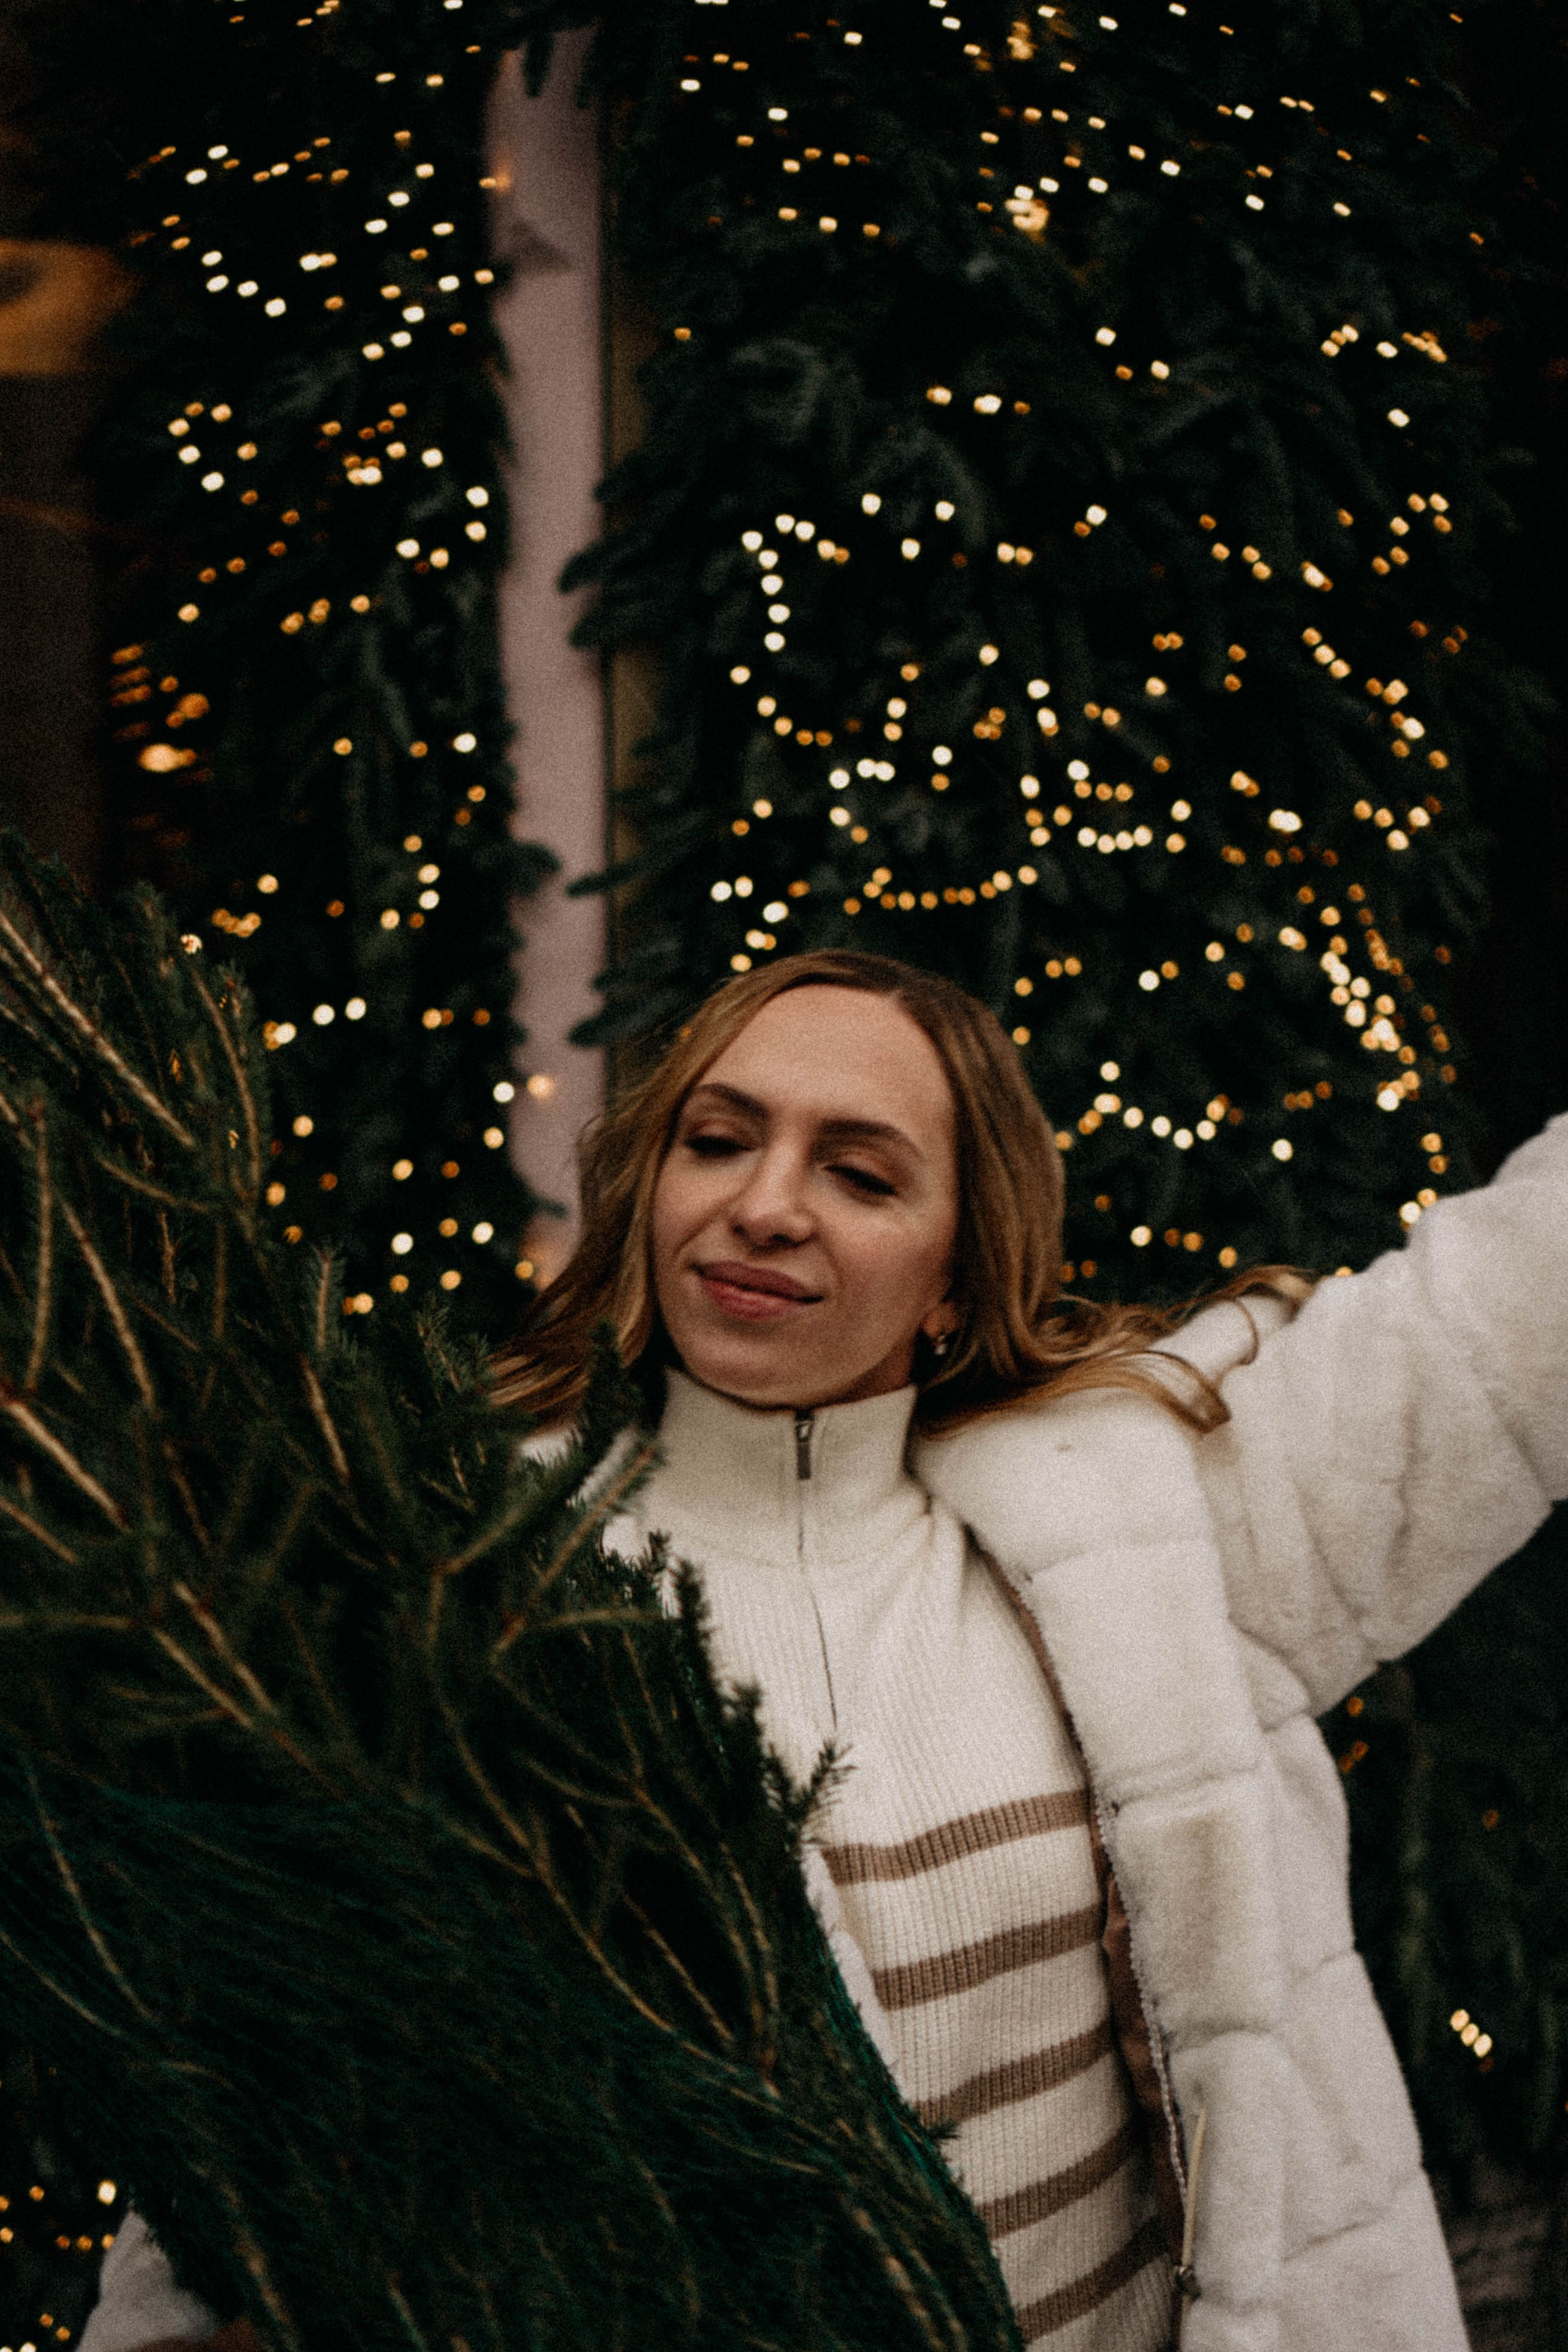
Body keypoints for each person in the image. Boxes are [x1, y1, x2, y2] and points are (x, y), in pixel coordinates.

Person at [83, 948, 1566, 2352]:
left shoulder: (1148, 1521)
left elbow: (1501, 1316)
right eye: (717, 1141)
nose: (764, 1206)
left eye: (857, 1172)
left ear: (951, 1278)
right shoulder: (468, 1576)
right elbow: (252, 2100)